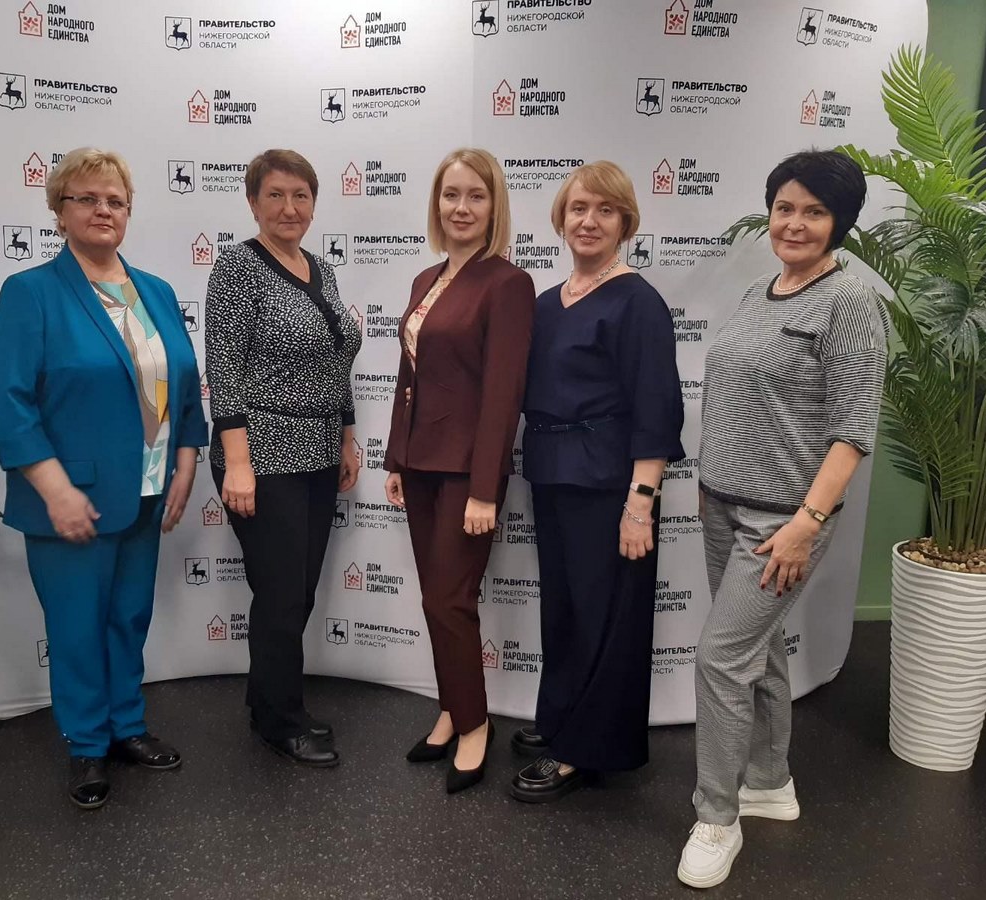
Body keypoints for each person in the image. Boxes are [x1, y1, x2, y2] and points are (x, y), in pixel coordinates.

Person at [676, 150, 887, 888]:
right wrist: (710, 482)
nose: (794, 223)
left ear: (840, 222)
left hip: (783, 521)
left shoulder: (849, 301)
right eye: (784, 208)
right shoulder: (759, 292)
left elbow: (853, 430)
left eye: (814, 212)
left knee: (720, 659)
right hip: (722, 505)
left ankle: (717, 818)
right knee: (756, 650)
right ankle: (769, 782)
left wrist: (807, 522)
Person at [0, 148, 208, 809]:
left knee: (128, 616)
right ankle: (86, 745)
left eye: (115, 200)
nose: (103, 209)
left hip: (146, 490)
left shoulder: (156, 291)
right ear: (59, 212)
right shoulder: (31, 293)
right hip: (69, 498)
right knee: (78, 626)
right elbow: (8, 400)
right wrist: (54, 488)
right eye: (86, 198)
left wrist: (187, 458)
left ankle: (126, 726)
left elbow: (183, 383)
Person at [508, 161, 685, 803]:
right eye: (579, 208)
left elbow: (657, 407)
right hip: (553, 476)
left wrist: (641, 504)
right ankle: (561, 718)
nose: (589, 221)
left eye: (605, 210)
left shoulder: (638, 301)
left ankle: (583, 751)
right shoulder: (546, 303)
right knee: (565, 611)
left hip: (611, 485)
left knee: (606, 617)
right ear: (561, 218)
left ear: (625, 223)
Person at [383, 148, 535, 794]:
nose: (461, 207)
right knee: (434, 598)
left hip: (466, 472)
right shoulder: (427, 278)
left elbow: (503, 395)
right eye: (451, 195)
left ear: (494, 206)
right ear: (436, 203)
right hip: (419, 464)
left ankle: (475, 724)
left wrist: (484, 489)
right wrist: (396, 457)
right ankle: (451, 708)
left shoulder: (508, 283)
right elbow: (409, 375)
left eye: (476, 195)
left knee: (451, 599)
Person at [205, 149, 362, 768]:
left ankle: (264, 699)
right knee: (280, 594)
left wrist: (346, 436)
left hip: (319, 452)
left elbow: (335, 361)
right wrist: (238, 462)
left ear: (314, 204)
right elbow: (225, 369)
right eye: (275, 195)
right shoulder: (236, 267)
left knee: (297, 590)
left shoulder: (322, 269)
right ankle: (282, 720)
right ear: (253, 202)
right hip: (263, 455)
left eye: (301, 195)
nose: (289, 208)